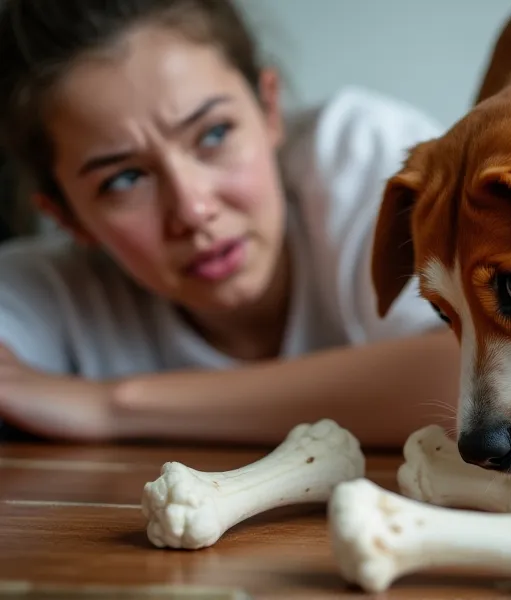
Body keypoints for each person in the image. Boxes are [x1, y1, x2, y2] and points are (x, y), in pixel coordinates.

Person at [0, 0, 460, 447]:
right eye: (124, 179)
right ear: (67, 217)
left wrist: (112, 406)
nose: (193, 210)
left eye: (214, 134)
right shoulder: (50, 287)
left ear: (269, 109)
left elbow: (471, 373)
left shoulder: (360, 160)